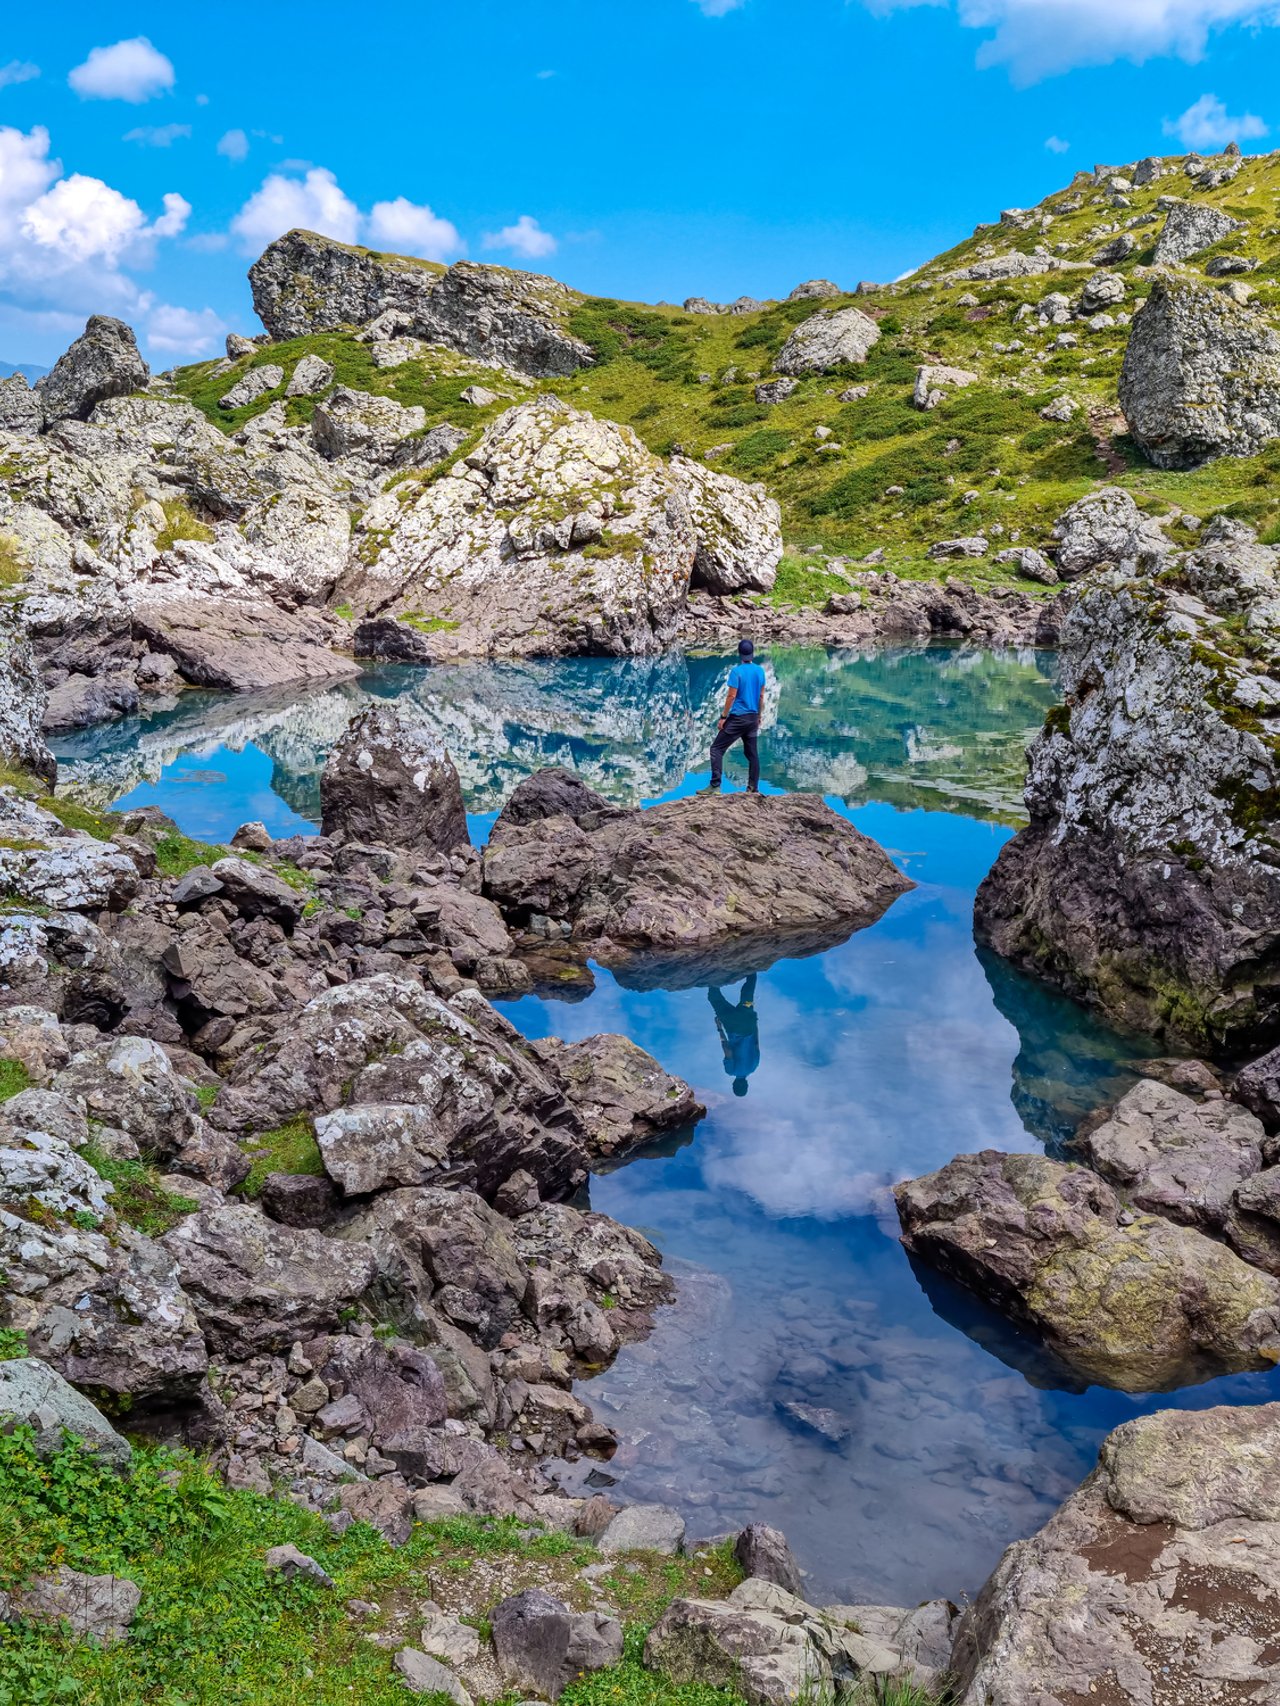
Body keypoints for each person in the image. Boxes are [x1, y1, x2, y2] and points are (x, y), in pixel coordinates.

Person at [707, 637, 765, 794]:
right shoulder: (760, 671)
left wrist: (723, 717)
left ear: (740, 654)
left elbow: (731, 696)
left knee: (716, 749)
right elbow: (761, 696)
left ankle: (715, 786)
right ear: (752, 654)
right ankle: (753, 788)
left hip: (738, 718)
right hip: (752, 718)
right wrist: (759, 716)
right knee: (752, 754)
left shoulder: (736, 672)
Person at [708, 973, 761, 1097]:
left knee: (748, 994)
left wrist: (754, 1022)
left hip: (749, 1022)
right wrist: (719, 1028)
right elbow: (728, 1050)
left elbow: (756, 1043)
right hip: (733, 1025)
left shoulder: (754, 1066)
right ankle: (713, 972)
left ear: (747, 1084)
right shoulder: (731, 1071)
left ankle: (752, 969)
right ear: (734, 1084)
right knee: (714, 997)